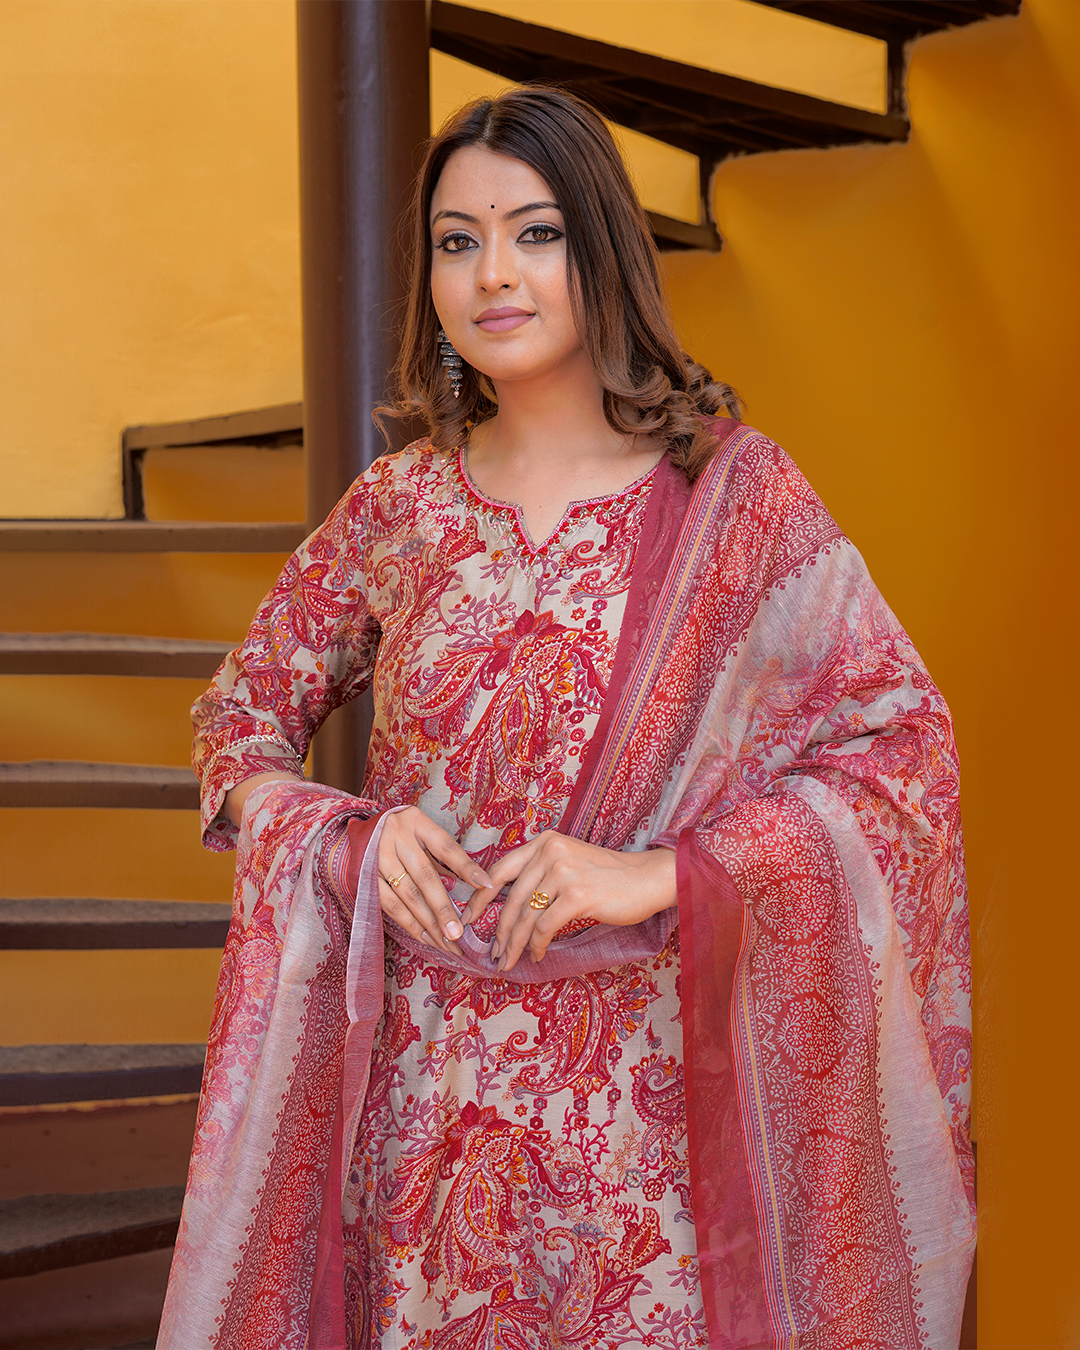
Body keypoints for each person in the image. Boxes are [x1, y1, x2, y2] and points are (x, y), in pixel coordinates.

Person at [158, 87, 974, 1350]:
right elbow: (238, 717)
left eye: (534, 232)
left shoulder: (738, 500)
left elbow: (900, 746)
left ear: (600, 248)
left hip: (649, 1134)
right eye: (458, 240)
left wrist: (665, 872)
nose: (492, 273)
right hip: (423, 1112)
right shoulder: (400, 510)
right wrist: (344, 838)